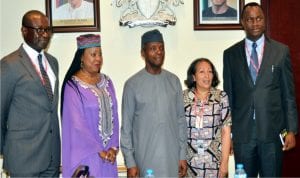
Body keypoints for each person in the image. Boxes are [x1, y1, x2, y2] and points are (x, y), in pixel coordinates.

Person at [223, 2, 298, 177]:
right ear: (242, 22)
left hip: (272, 133)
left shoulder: (281, 51)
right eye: (250, 19)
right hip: (243, 134)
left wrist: (292, 130)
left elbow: (288, 95)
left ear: (264, 21)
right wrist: (229, 135)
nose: (255, 23)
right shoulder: (230, 54)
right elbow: (229, 97)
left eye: (259, 19)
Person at [0, 10, 60, 177]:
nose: (45, 34)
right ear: (24, 31)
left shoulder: (53, 62)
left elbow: (50, 109)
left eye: (48, 30)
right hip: (23, 158)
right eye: (39, 29)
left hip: (52, 156)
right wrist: (7, 148)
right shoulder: (8, 64)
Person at [120, 29, 187, 177]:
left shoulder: (174, 81)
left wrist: (183, 154)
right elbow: (126, 128)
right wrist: (130, 162)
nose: (159, 52)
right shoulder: (132, 85)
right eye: (153, 48)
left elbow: (181, 121)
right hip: (145, 160)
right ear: (143, 53)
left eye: (161, 48)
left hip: (172, 159)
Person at [61, 34, 119, 177]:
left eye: (100, 54)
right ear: (81, 57)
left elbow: (115, 117)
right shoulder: (73, 86)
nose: (98, 59)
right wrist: (99, 150)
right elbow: (77, 125)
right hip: (86, 156)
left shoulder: (107, 82)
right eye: (93, 54)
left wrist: (113, 147)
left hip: (108, 157)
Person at [183, 58, 231, 178]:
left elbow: (226, 131)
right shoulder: (183, 97)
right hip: (189, 162)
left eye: (210, 72)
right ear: (193, 77)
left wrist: (224, 164)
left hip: (215, 162)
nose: (207, 76)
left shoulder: (221, 97)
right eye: (202, 72)